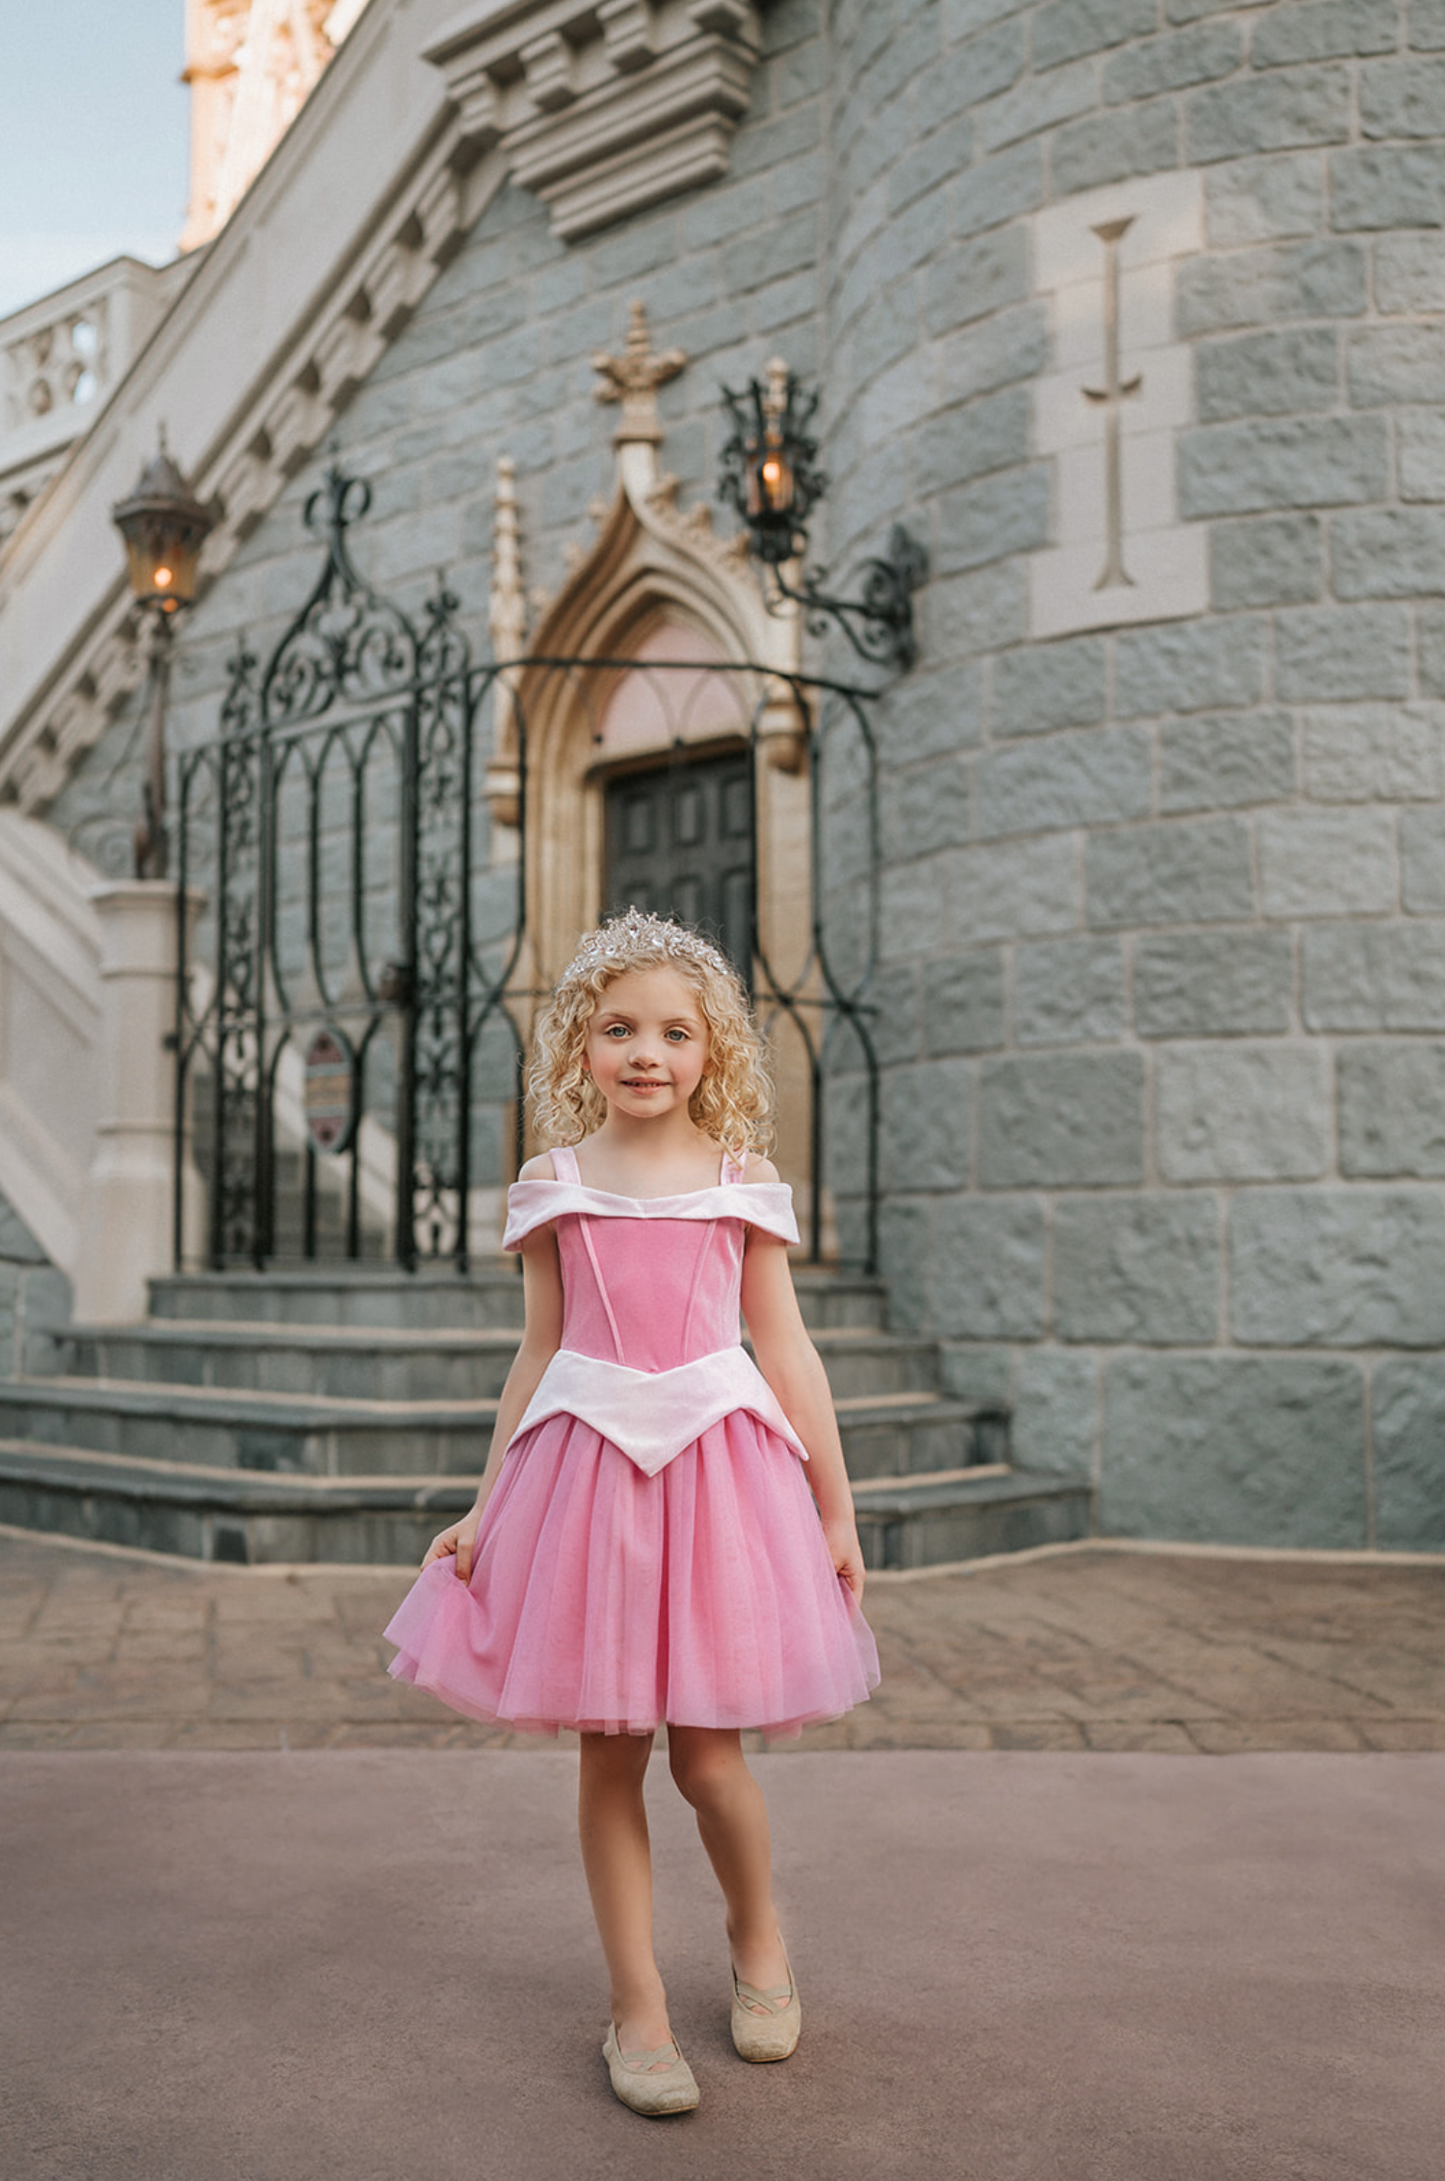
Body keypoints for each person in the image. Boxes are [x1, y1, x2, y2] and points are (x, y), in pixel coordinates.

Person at [384, 907, 879, 2116]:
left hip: (722, 1476)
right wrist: (487, 1502)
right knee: (610, 1760)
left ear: (714, 1054)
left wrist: (836, 1509)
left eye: (673, 1032)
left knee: (710, 1762)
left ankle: (757, 1939)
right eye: (617, 1029)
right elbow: (536, 1352)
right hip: (589, 1478)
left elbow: (788, 1350)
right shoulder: (552, 1184)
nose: (645, 1052)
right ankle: (635, 2007)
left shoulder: (741, 1183)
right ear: (580, 1049)